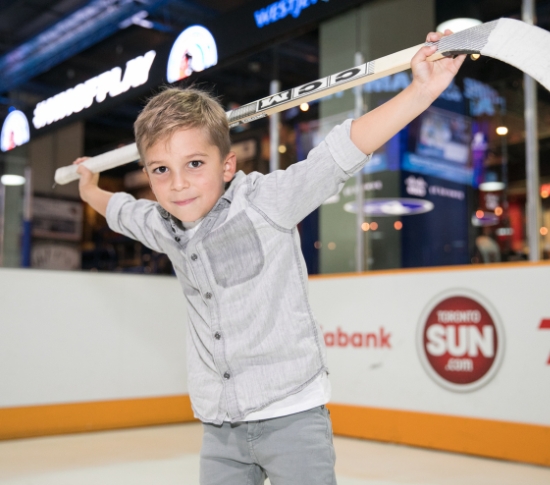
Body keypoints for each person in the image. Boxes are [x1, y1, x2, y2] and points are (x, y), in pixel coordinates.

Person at [74, 31, 464, 485]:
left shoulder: (266, 202)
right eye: (162, 170)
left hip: (292, 416)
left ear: (227, 165)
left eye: (194, 164)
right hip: (221, 428)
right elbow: (122, 211)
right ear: (148, 174)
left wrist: (422, 91)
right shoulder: (164, 225)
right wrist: (89, 188)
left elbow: (340, 153)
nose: (177, 184)